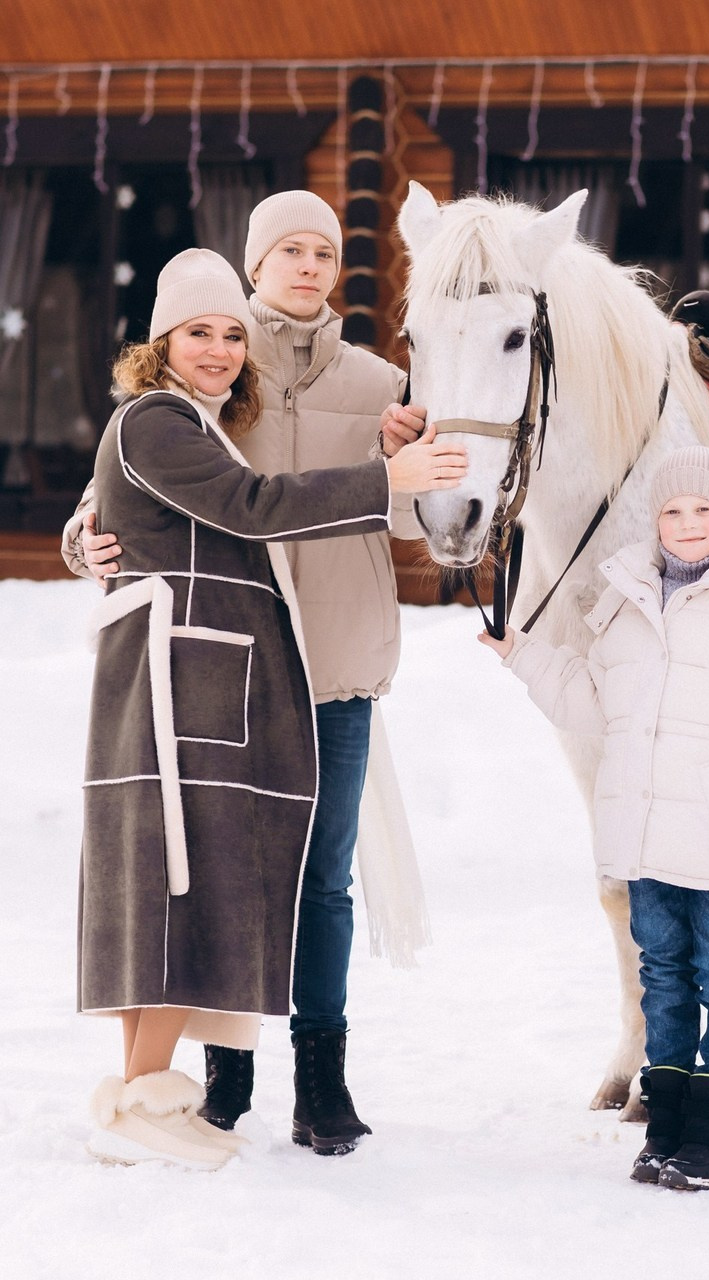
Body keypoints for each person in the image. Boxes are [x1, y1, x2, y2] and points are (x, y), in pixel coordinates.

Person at [64, 190, 433, 1156]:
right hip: (222, 666)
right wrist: (82, 537)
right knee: (218, 869)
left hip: (336, 652)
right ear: (254, 264)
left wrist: (411, 481)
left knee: (316, 882)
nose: (309, 265)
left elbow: (412, 522)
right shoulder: (210, 384)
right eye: (289, 250)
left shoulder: (379, 380)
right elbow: (167, 492)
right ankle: (220, 1083)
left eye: (325, 250)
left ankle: (321, 1078)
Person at [478, 446, 709, 1191]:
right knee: (663, 980)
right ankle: (668, 1114)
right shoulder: (629, 602)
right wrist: (524, 656)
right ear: (655, 521)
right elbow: (595, 704)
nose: (688, 523)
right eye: (673, 511)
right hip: (646, 849)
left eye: (705, 510)